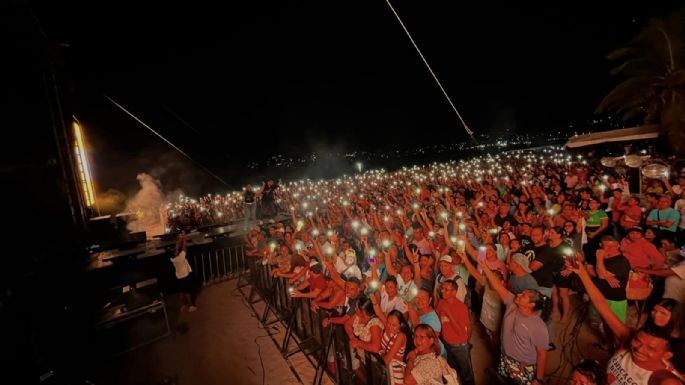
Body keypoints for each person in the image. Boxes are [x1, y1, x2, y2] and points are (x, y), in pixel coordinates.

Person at [567, 263, 684, 385]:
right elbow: (602, 306)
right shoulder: (629, 335)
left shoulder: (666, 374)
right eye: (638, 340)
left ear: (666, 356)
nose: (639, 349)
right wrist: (582, 274)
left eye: (651, 348)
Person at [481, 261, 550, 385]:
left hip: (522, 366)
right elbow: (497, 286)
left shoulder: (538, 326)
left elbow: (542, 354)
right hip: (505, 357)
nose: (518, 294)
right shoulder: (512, 302)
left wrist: (538, 379)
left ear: (531, 305)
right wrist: (485, 267)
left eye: (523, 296)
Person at [437, 279, 475, 385]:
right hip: (446, 342)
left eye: (446, 289)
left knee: (466, 372)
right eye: (442, 289)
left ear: (454, 292)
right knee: (451, 369)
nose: (442, 291)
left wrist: (449, 313)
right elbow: (438, 318)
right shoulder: (441, 303)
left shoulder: (461, 307)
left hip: (459, 345)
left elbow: (461, 332)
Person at [379, 310, 409, 385]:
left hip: (395, 371)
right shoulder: (388, 327)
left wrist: (381, 353)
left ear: (401, 325)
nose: (390, 327)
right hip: (385, 368)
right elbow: (378, 311)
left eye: (394, 325)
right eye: (388, 323)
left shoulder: (401, 336)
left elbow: (386, 360)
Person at [170, 232, 197, 312]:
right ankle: (191, 306)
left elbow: (176, 248)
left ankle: (183, 305)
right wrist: (184, 238)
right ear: (176, 253)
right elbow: (184, 247)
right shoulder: (180, 258)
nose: (177, 251)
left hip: (179, 276)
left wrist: (179, 240)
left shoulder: (173, 259)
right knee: (188, 291)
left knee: (182, 292)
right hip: (185, 276)